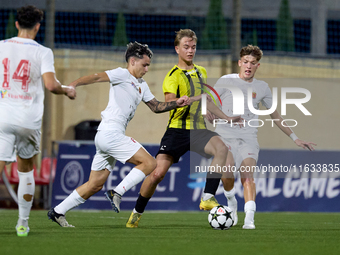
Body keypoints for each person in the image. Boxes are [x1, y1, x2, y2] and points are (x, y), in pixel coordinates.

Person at [47, 41, 191, 227]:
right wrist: (72, 85)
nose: (147, 69)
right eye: (144, 65)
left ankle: (58, 211)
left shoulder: (141, 85)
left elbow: (156, 107)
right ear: (132, 61)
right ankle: (117, 192)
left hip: (106, 137)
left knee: (95, 184)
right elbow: (97, 77)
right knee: (150, 163)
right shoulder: (121, 74)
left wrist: (176, 103)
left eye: (148, 65)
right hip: (110, 133)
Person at [125, 29, 241, 228]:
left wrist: (226, 118)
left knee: (222, 149)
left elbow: (206, 100)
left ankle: (207, 196)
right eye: (186, 47)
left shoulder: (201, 72)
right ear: (177, 49)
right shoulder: (172, 76)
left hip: (198, 130)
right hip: (177, 131)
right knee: (157, 174)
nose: (190, 51)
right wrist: (185, 101)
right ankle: (136, 213)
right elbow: (171, 104)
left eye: (193, 47)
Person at [203, 45, 317, 229]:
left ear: (258, 66)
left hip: (248, 139)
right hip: (225, 137)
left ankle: (249, 219)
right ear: (240, 63)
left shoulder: (262, 87)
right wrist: (206, 112)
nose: (248, 66)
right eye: (246, 62)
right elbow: (208, 100)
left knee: (247, 177)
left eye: (253, 63)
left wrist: (295, 138)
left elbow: (276, 116)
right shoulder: (226, 80)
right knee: (227, 177)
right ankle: (231, 203)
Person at [0, 5, 76, 237]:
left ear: (16, 24)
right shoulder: (42, 51)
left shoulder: (2, 46)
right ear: (37, 26)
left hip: (3, 117)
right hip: (28, 121)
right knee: (26, 171)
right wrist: (67, 90)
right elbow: (51, 85)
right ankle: (22, 224)